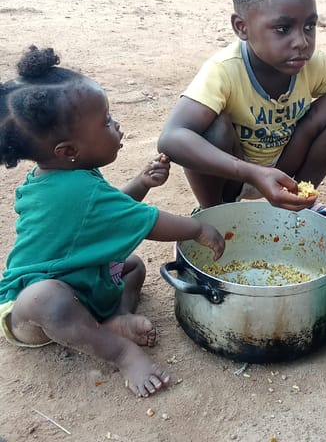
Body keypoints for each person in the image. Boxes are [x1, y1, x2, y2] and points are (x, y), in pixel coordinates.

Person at [0, 46, 225, 398]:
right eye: (105, 121)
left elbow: (106, 212)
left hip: (81, 281)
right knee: (48, 298)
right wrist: (196, 229)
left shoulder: (68, 174)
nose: (116, 124)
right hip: (31, 309)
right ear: (67, 149)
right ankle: (121, 352)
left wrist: (140, 183)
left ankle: (114, 319)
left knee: (132, 266)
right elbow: (145, 223)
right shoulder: (70, 189)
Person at [158, 0, 326, 217]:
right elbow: (171, 137)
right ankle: (215, 214)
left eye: (309, 26)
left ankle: (297, 201)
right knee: (210, 127)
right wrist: (252, 172)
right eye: (283, 28)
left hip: (284, 166)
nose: (301, 41)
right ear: (242, 27)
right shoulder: (224, 70)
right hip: (230, 169)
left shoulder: (313, 63)